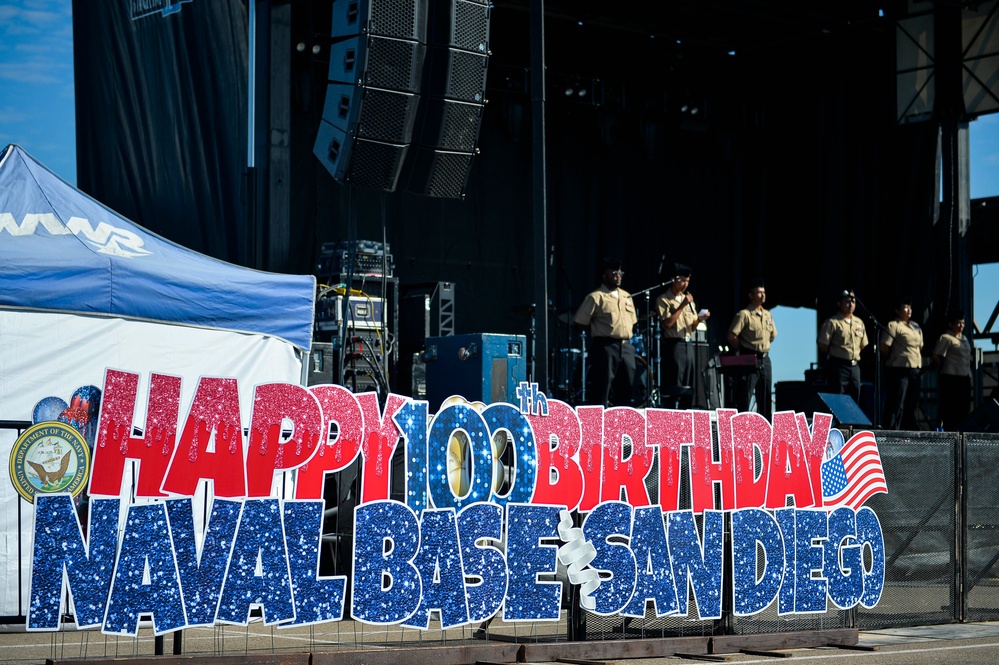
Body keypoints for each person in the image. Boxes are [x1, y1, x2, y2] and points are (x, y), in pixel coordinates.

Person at [573, 257, 638, 407]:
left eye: (621, 272)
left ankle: (623, 424)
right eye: (614, 272)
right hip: (606, 346)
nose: (618, 276)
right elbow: (580, 321)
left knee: (626, 388)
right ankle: (598, 424)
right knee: (602, 388)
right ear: (604, 275)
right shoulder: (596, 297)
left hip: (626, 347)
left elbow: (632, 321)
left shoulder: (627, 296)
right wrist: (598, 330)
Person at [656, 264, 710, 408]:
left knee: (688, 385)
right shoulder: (664, 300)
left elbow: (691, 326)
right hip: (674, 344)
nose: (685, 284)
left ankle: (686, 413)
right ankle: (671, 413)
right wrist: (681, 306)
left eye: (688, 281)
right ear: (673, 279)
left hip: (688, 344)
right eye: (682, 281)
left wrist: (699, 319)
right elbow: (667, 324)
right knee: (675, 383)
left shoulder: (688, 300)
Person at [726, 281, 776, 419]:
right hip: (749, 358)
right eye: (759, 292)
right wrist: (743, 349)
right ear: (751, 295)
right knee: (745, 394)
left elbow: (772, 336)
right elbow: (732, 335)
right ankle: (742, 425)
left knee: (765, 395)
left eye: (764, 292)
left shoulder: (768, 315)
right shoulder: (744, 314)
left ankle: (766, 425)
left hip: (765, 358)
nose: (763, 295)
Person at [879, 297, 924, 430]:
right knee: (897, 402)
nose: (909, 310)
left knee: (912, 403)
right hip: (899, 369)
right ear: (897, 310)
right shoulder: (893, 325)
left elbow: (920, 346)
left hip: (914, 368)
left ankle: (908, 430)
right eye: (905, 307)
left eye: (910, 307)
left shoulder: (915, 326)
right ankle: (893, 430)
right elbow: (884, 347)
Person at [818, 289, 869, 404]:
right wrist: (837, 353)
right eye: (847, 301)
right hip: (839, 366)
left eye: (853, 301)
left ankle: (851, 422)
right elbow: (822, 344)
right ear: (839, 303)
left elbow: (863, 344)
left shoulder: (859, 322)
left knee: (855, 397)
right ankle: (838, 422)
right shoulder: (832, 322)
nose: (850, 304)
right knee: (838, 398)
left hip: (855, 366)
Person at [933, 310, 972, 431]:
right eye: (958, 323)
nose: (961, 326)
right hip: (951, 376)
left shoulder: (965, 339)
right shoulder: (946, 338)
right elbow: (936, 355)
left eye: (963, 323)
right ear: (951, 324)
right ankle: (950, 431)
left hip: (964, 376)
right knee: (951, 408)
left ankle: (962, 431)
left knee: (964, 407)